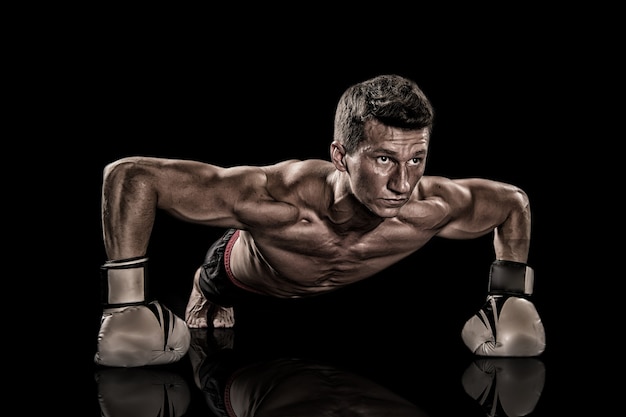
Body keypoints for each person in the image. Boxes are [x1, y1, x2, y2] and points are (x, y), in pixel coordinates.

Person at [95, 74, 546, 368]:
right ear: (340, 157)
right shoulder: (275, 201)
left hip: (327, 301)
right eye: (385, 159)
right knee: (210, 303)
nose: (403, 183)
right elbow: (130, 177)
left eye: (417, 159)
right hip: (244, 271)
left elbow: (512, 203)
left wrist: (510, 301)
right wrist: (127, 304)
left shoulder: (432, 206)